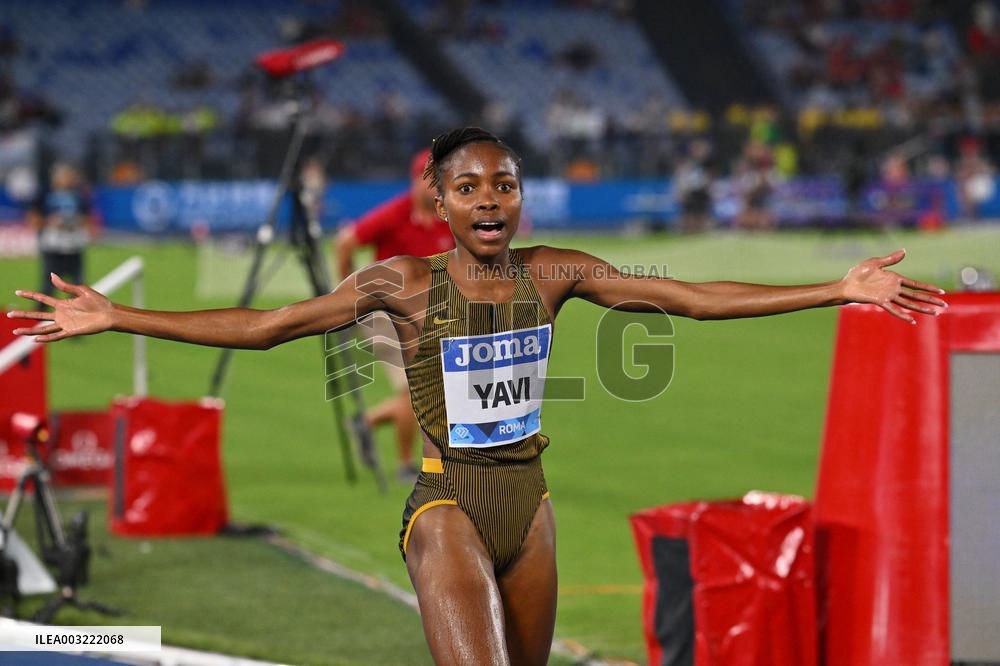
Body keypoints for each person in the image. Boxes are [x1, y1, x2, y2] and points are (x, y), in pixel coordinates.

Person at [9, 127, 947, 666]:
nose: (492, 198)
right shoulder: (399, 287)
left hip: (528, 510)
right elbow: (267, 325)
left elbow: (689, 300)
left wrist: (836, 289)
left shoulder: (555, 272)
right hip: (449, 504)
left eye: (505, 183)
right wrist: (120, 316)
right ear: (439, 202)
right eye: (470, 186)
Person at [333, 149, 455, 481]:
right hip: (383, 313)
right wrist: (350, 301)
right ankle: (405, 465)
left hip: (424, 316)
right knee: (415, 388)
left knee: (436, 389)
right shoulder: (396, 214)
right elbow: (345, 243)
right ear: (415, 182)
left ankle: (366, 422)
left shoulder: (450, 220)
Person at [28, 163, 93, 300]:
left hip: (74, 245)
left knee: (78, 285)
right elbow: (33, 217)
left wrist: (76, 222)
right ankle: (38, 316)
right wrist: (49, 222)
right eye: (67, 176)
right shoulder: (45, 193)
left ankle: (78, 316)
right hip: (53, 246)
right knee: (48, 286)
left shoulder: (78, 195)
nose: (71, 179)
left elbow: (87, 218)